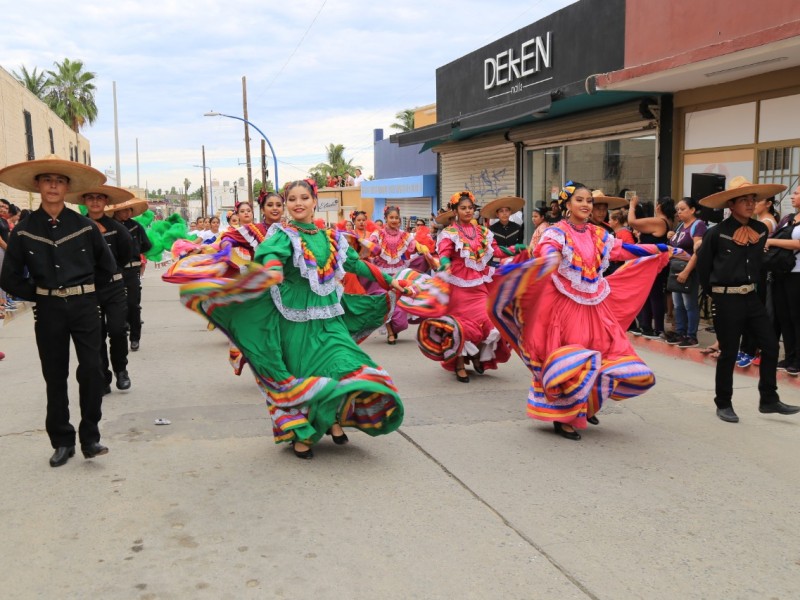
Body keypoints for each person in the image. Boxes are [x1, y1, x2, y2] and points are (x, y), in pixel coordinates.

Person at [166, 179, 408, 459]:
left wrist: (392, 282)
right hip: (294, 322)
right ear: (286, 206)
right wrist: (267, 271)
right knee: (307, 375)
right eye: (292, 199)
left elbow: (355, 263)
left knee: (347, 365)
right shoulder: (282, 236)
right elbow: (269, 258)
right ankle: (306, 431)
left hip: (330, 319)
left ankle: (333, 419)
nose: (298, 203)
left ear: (315, 201)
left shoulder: (332, 237)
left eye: (304, 198)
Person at [489, 182, 687, 440]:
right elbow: (547, 253)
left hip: (595, 304)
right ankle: (565, 415)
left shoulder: (598, 234)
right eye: (580, 200)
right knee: (573, 356)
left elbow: (625, 250)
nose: (586, 205)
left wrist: (662, 249)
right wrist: (544, 261)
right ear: (567, 205)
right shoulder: (556, 232)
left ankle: (586, 402)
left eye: (589, 201)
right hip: (565, 305)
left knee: (604, 350)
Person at [0, 154, 116, 466]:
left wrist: (94, 300)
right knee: (55, 375)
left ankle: (90, 437)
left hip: (84, 307)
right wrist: (39, 295)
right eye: (47, 180)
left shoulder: (85, 227)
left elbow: (107, 269)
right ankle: (62, 441)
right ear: (38, 185)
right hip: (49, 310)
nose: (53, 185)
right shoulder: (23, 231)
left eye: (60, 180)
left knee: (92, 370)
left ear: (67, 187)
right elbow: (8, 277)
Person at [695, 176, 799, 422]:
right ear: (731, 205)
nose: (751, 204)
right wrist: (717, 296)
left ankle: (769, 399)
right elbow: (703, 268)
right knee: (729, 352)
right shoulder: (717, 234)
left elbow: (759, 267)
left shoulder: (761, 230)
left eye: (753, 199)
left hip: (752, 298)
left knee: (771, 346)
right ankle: (723, 403)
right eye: (744, 200)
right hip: (726, 299)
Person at [418, 191, 524, 383]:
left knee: (489, 321)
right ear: (456, 211)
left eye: (470, 208)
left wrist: (515, 249)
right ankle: (459, 363)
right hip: (457, 286)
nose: (468, 211)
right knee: (461, 326)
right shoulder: (449, 233)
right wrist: (444, 263)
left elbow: (495, 251)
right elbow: (444, 252)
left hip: (479, 285)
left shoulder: (483, 232)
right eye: (463, 208)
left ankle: (476, 355)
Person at [75, 185, 135, 393]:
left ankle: (121, 370)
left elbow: (127, 254)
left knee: (118, 329)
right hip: (89, 289)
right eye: (90, 197)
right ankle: (103, 376)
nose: (94, 201)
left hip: (114, 286)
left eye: (99, 197)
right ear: (84, 201)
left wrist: (111, 271)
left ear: (106, 201)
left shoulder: (118, 229)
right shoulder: (77, 227)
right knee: (95, 334)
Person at [364, 205, 414, 344]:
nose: (394, 220)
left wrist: (424, 251)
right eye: (391, 217)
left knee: (399, 307)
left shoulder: (405, 235)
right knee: (386, 303)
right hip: (382, 274)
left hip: (399, 274)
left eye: (396, 218)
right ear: (386, 218)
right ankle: (390, 332)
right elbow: (369, 247)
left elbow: (414, 247)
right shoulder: (377, 234)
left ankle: (395, 328)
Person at [628, 195, 675, 339]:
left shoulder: (659, 221)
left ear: (658, 207)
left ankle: (656, 328)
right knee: (651, 294)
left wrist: (632, 205)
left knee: (654, 295)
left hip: (653, 262)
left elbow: (631, 221)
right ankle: (647, 326)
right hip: (655, 261)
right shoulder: (668, 221)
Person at [110, 198, 152, 352]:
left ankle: (135, 337)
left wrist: (135, 250)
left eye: (130, 210)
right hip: (113, 271)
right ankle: (118, 335)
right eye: (124, 209)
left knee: (133, 304)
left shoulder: (135, 226)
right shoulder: (108, 226)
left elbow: (147, 244)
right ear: (116, 210)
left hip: (132, 270)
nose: (128, 213)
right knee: (116, 306)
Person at [664, 197, 707, 348]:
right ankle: (680, 332)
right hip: (675, 268)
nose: (679, 213)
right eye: (677, 210)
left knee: (690, 304)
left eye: (682, 209)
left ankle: (691, 336)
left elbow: (698, 250)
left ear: (693, 210)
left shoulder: (698, 225)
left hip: (689, 270)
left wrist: (687, 271)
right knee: (678, 304)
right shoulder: (680, 225)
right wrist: (670, 236)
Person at [766, 184, 800, 377]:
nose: (792, 196)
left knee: (797, 317)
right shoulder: (789, 219)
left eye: (796, 193)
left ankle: (798, 360)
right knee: (784, 317)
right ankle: (789, 355)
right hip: (781, 272)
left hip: (797, 274)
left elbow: (798, 243)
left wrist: (771, 242)